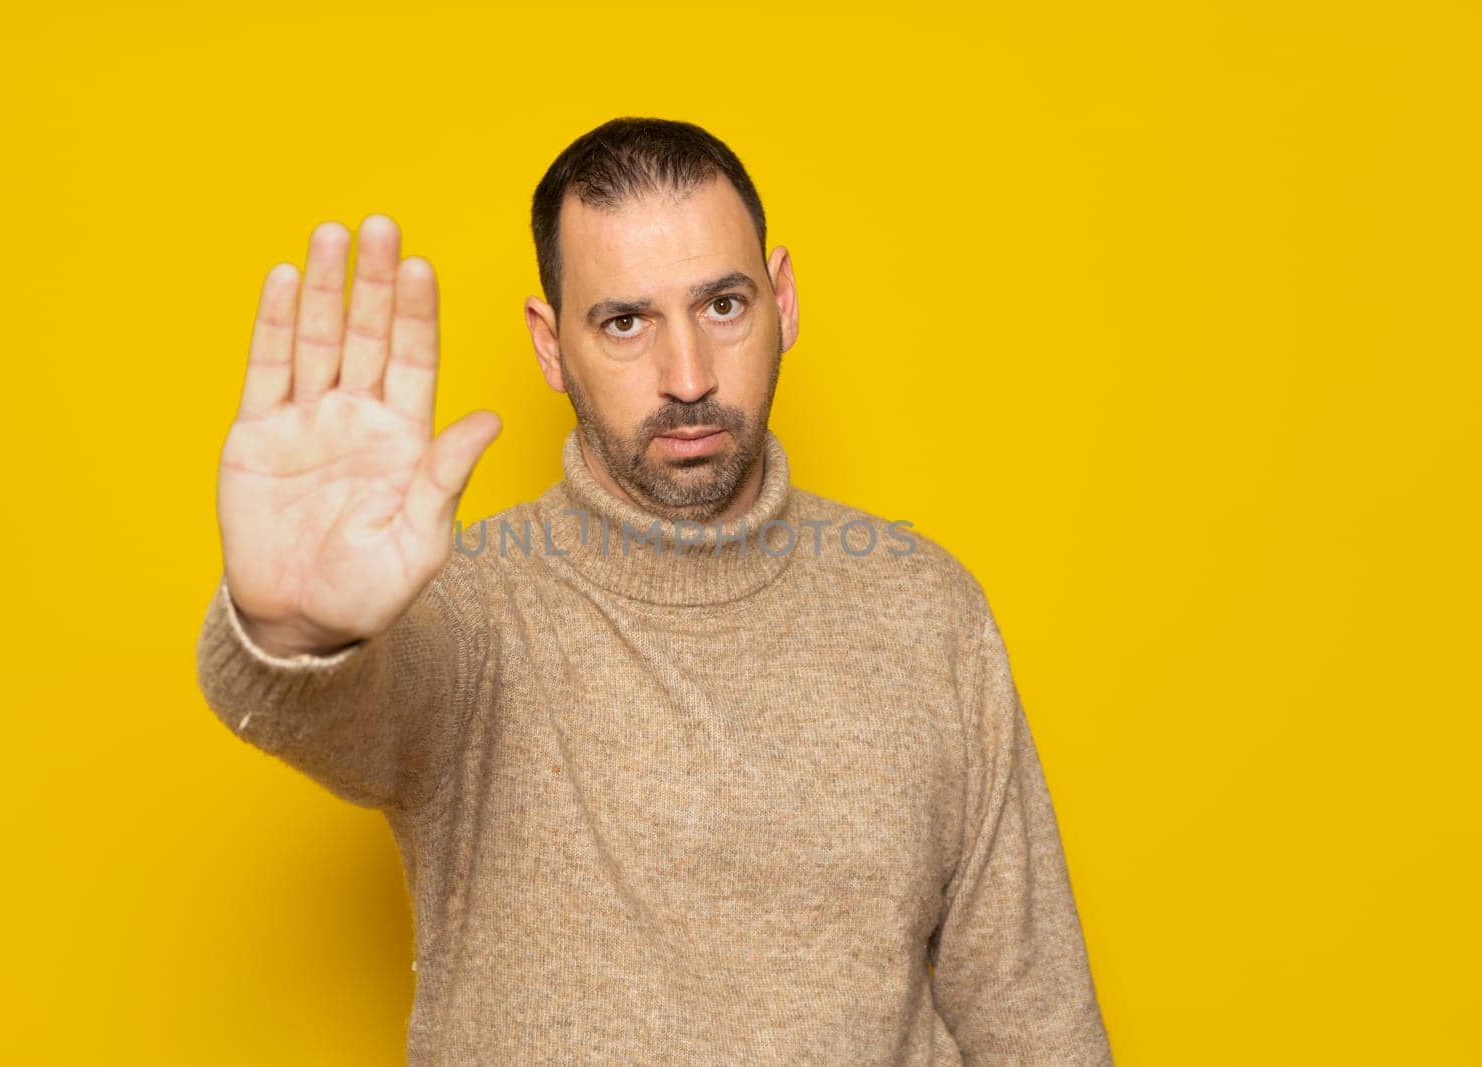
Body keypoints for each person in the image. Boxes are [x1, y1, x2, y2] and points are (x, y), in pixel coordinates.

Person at [194, 116, 1113, 1065]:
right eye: (625, 322)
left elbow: (1031, 1013)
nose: (688, 377)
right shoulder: (469, 611)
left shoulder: (928, 610)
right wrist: (293, 629)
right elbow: (332, 705)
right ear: (552, 347)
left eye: (722, 305)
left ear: (784, 301)